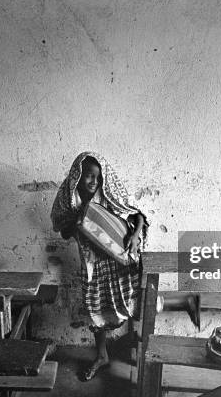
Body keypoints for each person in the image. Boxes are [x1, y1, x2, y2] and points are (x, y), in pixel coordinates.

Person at [51, 152, 199, 381]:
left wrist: (134, 236)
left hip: (118, 263)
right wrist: (78, 222)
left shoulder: (107, 196)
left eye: (97, 178)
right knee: (95, 312)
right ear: (77, 176)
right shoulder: (70, 202)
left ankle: (182, 301)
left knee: (136, 303)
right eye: (88, 176)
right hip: (93, 266)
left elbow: (137, 215)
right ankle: (101, 356)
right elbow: (64, 230)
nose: (94, 181)